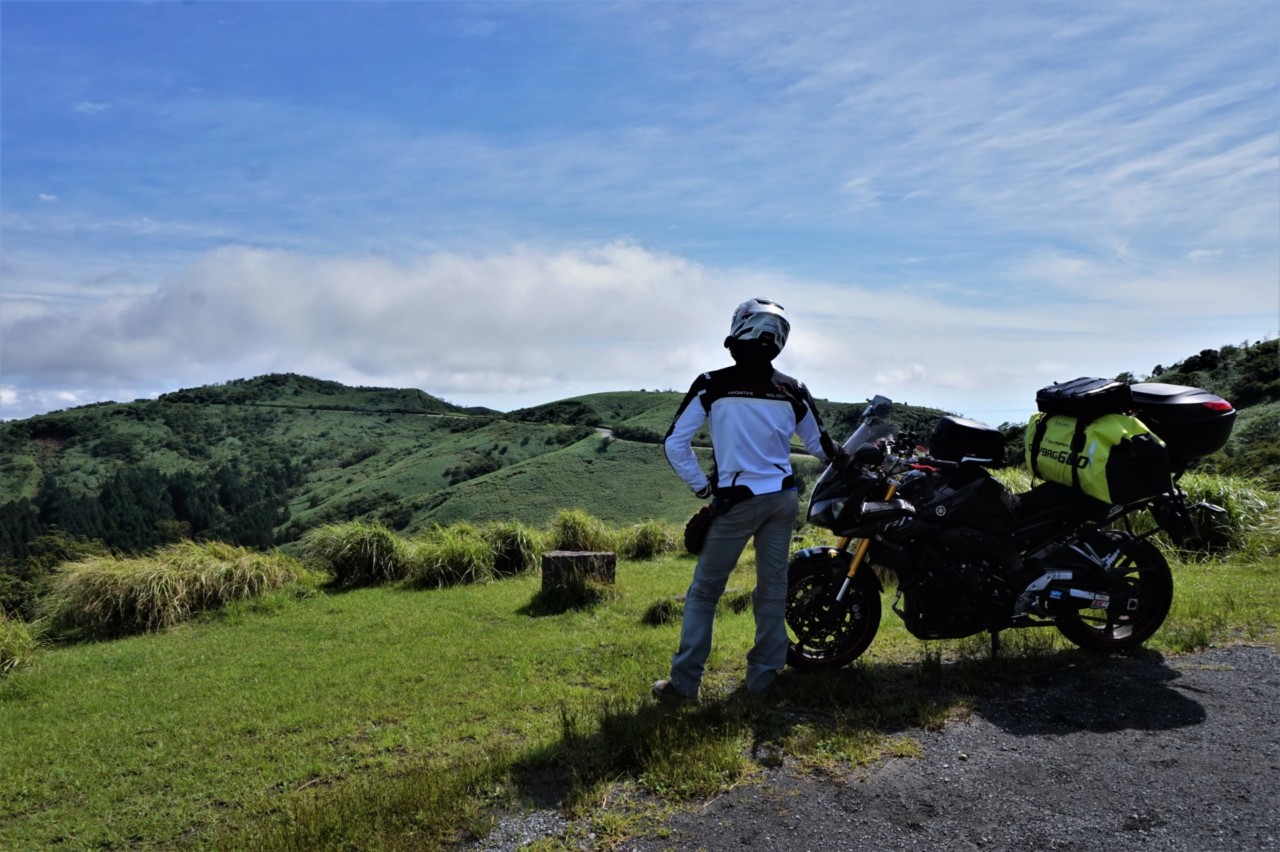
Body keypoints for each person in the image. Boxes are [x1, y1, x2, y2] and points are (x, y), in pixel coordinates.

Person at [655, 298, 845, 700]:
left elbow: (675, 443)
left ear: (739, 329)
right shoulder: (793, 389)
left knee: (705, 593)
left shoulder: (713, 383)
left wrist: (702, 487)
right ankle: (763, 679)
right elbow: (822, 447)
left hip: (736, 501)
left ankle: (685, 684)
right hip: (782, 499)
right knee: (772, 590)